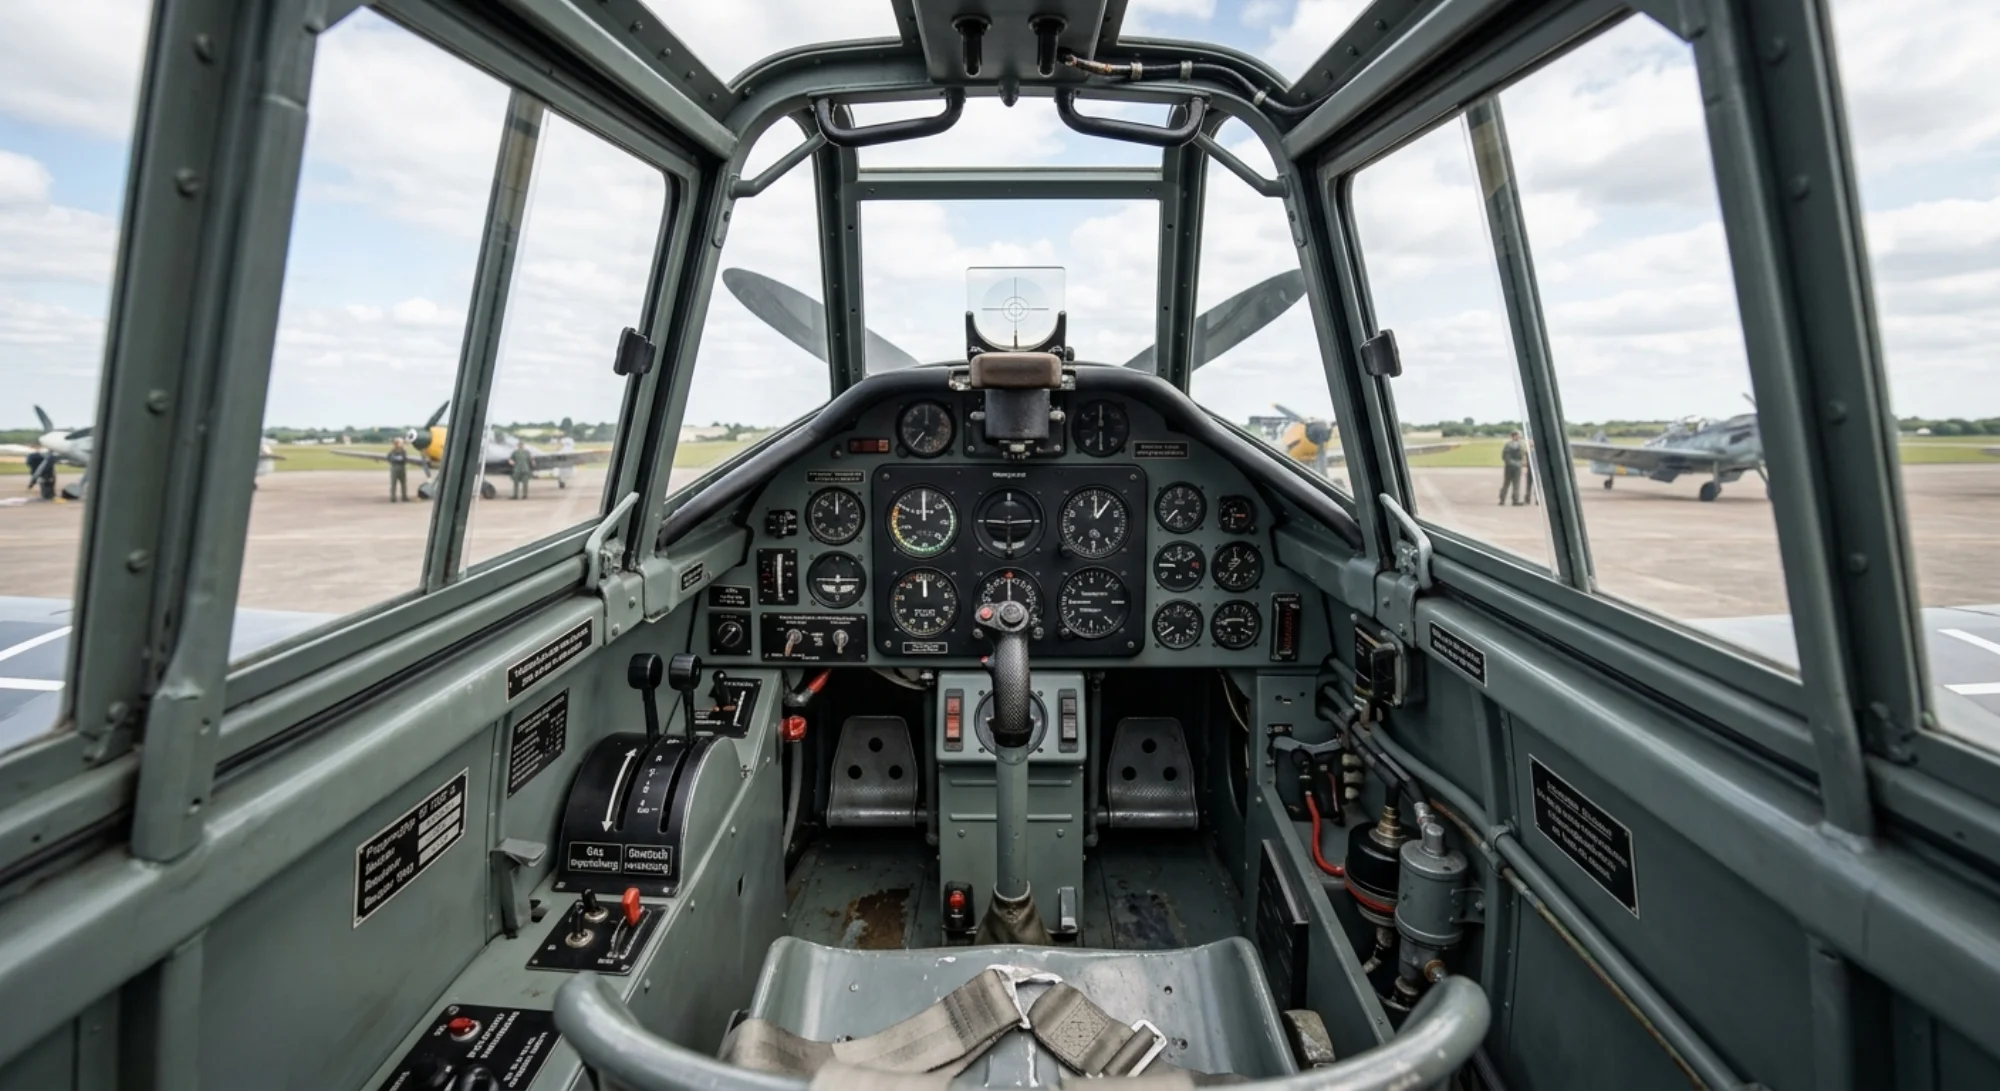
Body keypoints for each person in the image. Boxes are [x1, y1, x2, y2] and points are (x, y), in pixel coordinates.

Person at [1500, 430, 1527, 506]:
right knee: (1507, 483)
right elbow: (1505, 456)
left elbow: (1522, 455)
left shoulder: (1519, 444)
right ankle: (1503, 499)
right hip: (1511, 467)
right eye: (1518, 435)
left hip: (1514, 466)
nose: (1519, 437)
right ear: (1514, 436)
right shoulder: (1509, 445)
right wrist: (1516, 464)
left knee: (1515, 484)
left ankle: (1514, 500)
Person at [387, 437, 410, 502]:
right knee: (393, 483)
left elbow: (405, 459)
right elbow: (388, 458)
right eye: (401, 443)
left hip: (402, 468)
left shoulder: (403, 451)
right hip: (395, 467)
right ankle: (393, 497)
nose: (402, 444)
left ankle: (404, 497)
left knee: (403, 483)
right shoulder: (392, 451)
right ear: (397, 443)